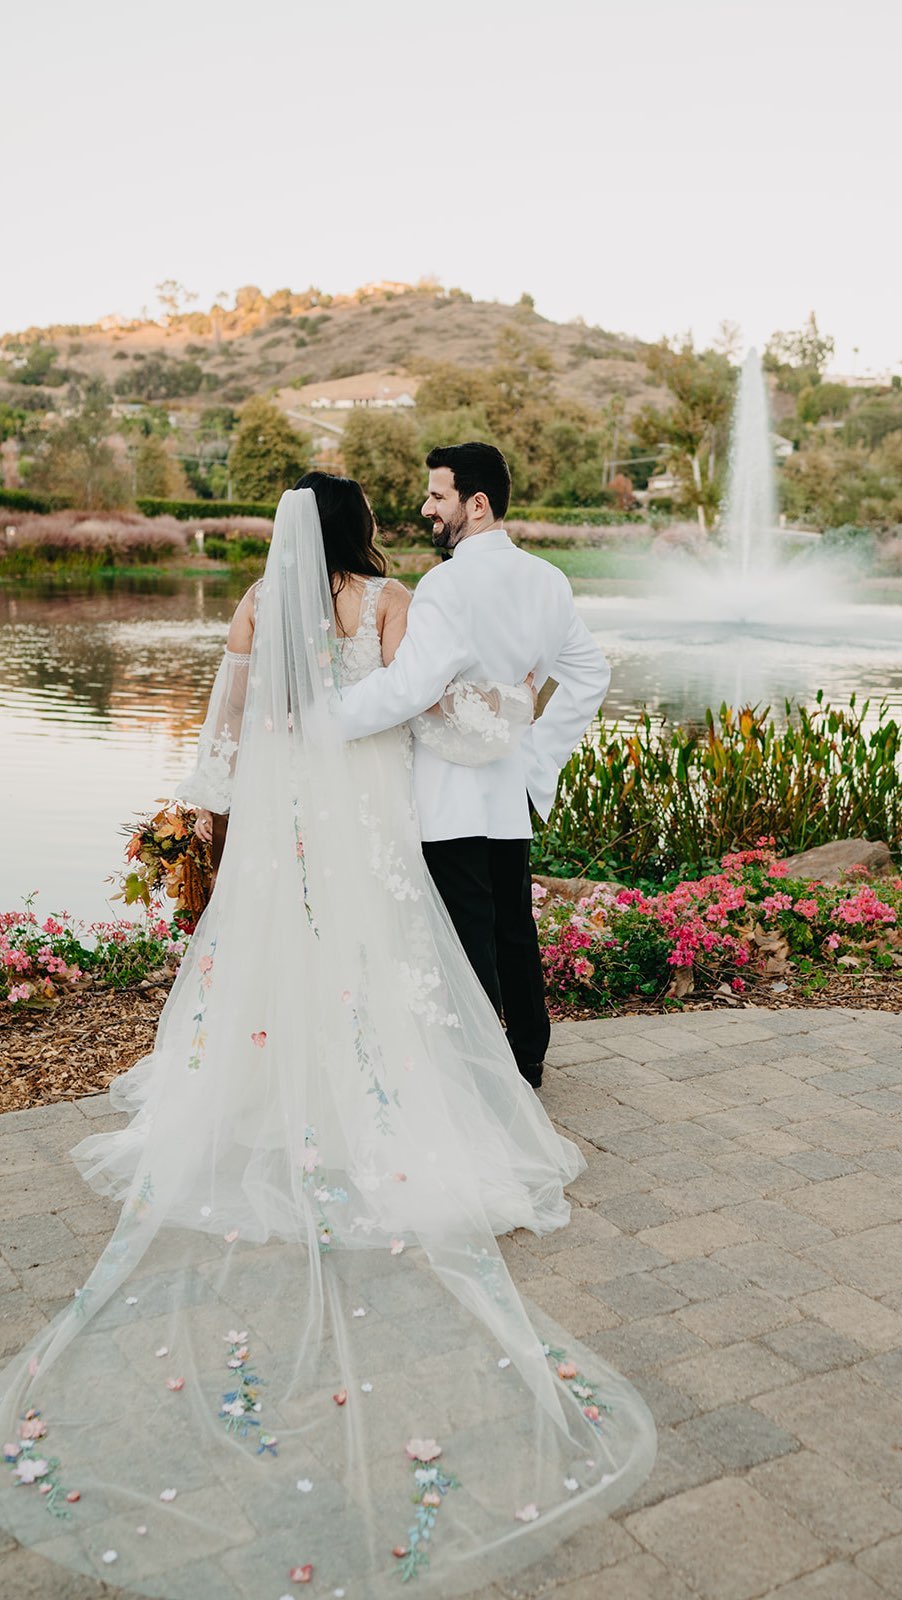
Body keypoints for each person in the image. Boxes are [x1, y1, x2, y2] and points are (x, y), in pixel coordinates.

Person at [0, 484, 653, 1600]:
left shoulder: (259, 600)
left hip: (286, 808)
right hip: (366, 807)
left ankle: (268, 1085)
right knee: (376, 954)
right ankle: (375, 1095)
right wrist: (496, 716)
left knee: (276, 954)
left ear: (286, 537)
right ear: (357, 529)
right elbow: (421, 710)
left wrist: (206, 806)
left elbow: (223, 716)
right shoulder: (390, 599)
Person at [336, 442, 611, 1088]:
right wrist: (536, 755)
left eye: (438, 496)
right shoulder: (548, 580)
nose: (427, 507)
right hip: (509, 789)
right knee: (514, 926)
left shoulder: (446, 585)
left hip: (447, 793)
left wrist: (329, 716)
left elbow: (409, 688)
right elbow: (590, 676)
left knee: (466, 935)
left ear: (476, 504)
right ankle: (529, 1059)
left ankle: (482, 1077)